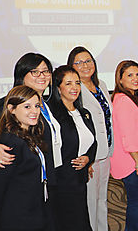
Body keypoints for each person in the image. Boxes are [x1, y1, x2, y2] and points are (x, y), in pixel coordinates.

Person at [0, 53, 62, 221]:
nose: (42, 76)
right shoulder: (10, 103)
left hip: (49, 180)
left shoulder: (47, 103)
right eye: (35, 72)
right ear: (22, 75)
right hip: (27, 188)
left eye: (46, 71)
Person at [0, 86, 51, 231]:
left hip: (34, 210)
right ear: (12, 109)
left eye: (37, 106)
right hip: (17, 217)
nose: (34, 111)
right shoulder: (10, 142)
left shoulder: (32, 136)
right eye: (27, 106)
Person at [67, 47, 113, 231]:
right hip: (89, 156)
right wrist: (87, 157)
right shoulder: (73, 90)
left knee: (102, 198)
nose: (85, 65)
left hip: (106, 150)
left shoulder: (100, 84)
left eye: (88, 61)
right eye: (79, 62)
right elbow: (76, 126)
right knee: (89, 201)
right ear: (71, 66)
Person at [47, 66, 97, 231]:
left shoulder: (84, 113)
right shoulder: (51, 115)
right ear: (58, 87)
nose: (74, 87)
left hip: (79, 179)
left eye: (77, 83)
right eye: (68, 83)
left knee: (81, 220)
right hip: (61, 181)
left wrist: (88, 158)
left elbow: (93, 142)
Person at [110, 60, 138, 231]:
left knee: (136, 202)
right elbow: (127, 136)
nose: (135, 79)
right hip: (133, 162)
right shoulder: (123, 101)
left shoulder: (131, 99)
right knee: (135, 204)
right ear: (120, 80)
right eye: (129, 75)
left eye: (137, 74)